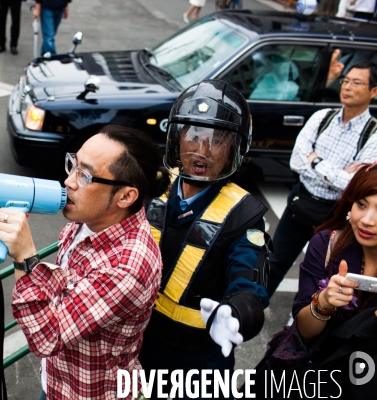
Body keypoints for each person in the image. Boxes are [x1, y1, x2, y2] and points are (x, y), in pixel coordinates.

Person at [0, 124, 171, 399]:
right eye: (73, 165)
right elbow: (65, 292)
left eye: (85, 176)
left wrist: (25, 256)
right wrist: (29, 263)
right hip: (57, 379)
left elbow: (47, 338)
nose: (69, 182)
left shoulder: (128, 266)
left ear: (125, 196)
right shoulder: (89, 220)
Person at [138, 80, 270, 399]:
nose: (202, 148)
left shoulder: (245, 215)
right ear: (177, 138)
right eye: (193, 134)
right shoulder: (154, 185)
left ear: (234, 150)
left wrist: (237, 315)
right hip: (137, 342)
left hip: (198, 362)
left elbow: (249, 286)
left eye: (218, 139)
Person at [252, 166, 377, 398]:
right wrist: (323, 304)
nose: (367, 220)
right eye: (361, 204)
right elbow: (304, 332)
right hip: (307, 377)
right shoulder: (327, 244)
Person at [267, 61, 377, 298]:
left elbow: (355, 185)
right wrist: (338, 173)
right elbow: (296, 161)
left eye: (356, 83)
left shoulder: (373, 133)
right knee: (274, 262)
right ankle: (249, 312)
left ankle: (303, 319)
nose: (347, 87)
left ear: (373, 91)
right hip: (301, 203)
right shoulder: (322, 117)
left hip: (335, 215)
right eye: (345, 81)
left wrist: (316, 161)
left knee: (322, 274)